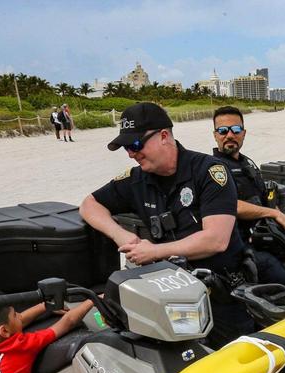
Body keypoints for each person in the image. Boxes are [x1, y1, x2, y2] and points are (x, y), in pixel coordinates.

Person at [79, 101, 255, 345]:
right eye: (127, 148)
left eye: (136, 145)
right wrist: (121, 235)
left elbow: (216, 239)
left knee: (234, 358)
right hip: (172, 297)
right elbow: (89, 204)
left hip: (222, 295)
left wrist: (154, 251)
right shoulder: (136, 180)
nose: (131, 154)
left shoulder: (210, 171)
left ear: (163, 136)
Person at [211, 105, 285, 285]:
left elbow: (267, 201)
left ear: (244, 133)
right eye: (222, 130)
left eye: (235, 129)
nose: (229, 135)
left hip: (266, 234)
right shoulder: (214, 169)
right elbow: (231, 205)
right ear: (215, 135)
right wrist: (273, 213)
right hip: (241, 244)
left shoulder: (248, 165)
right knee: (278, 275)